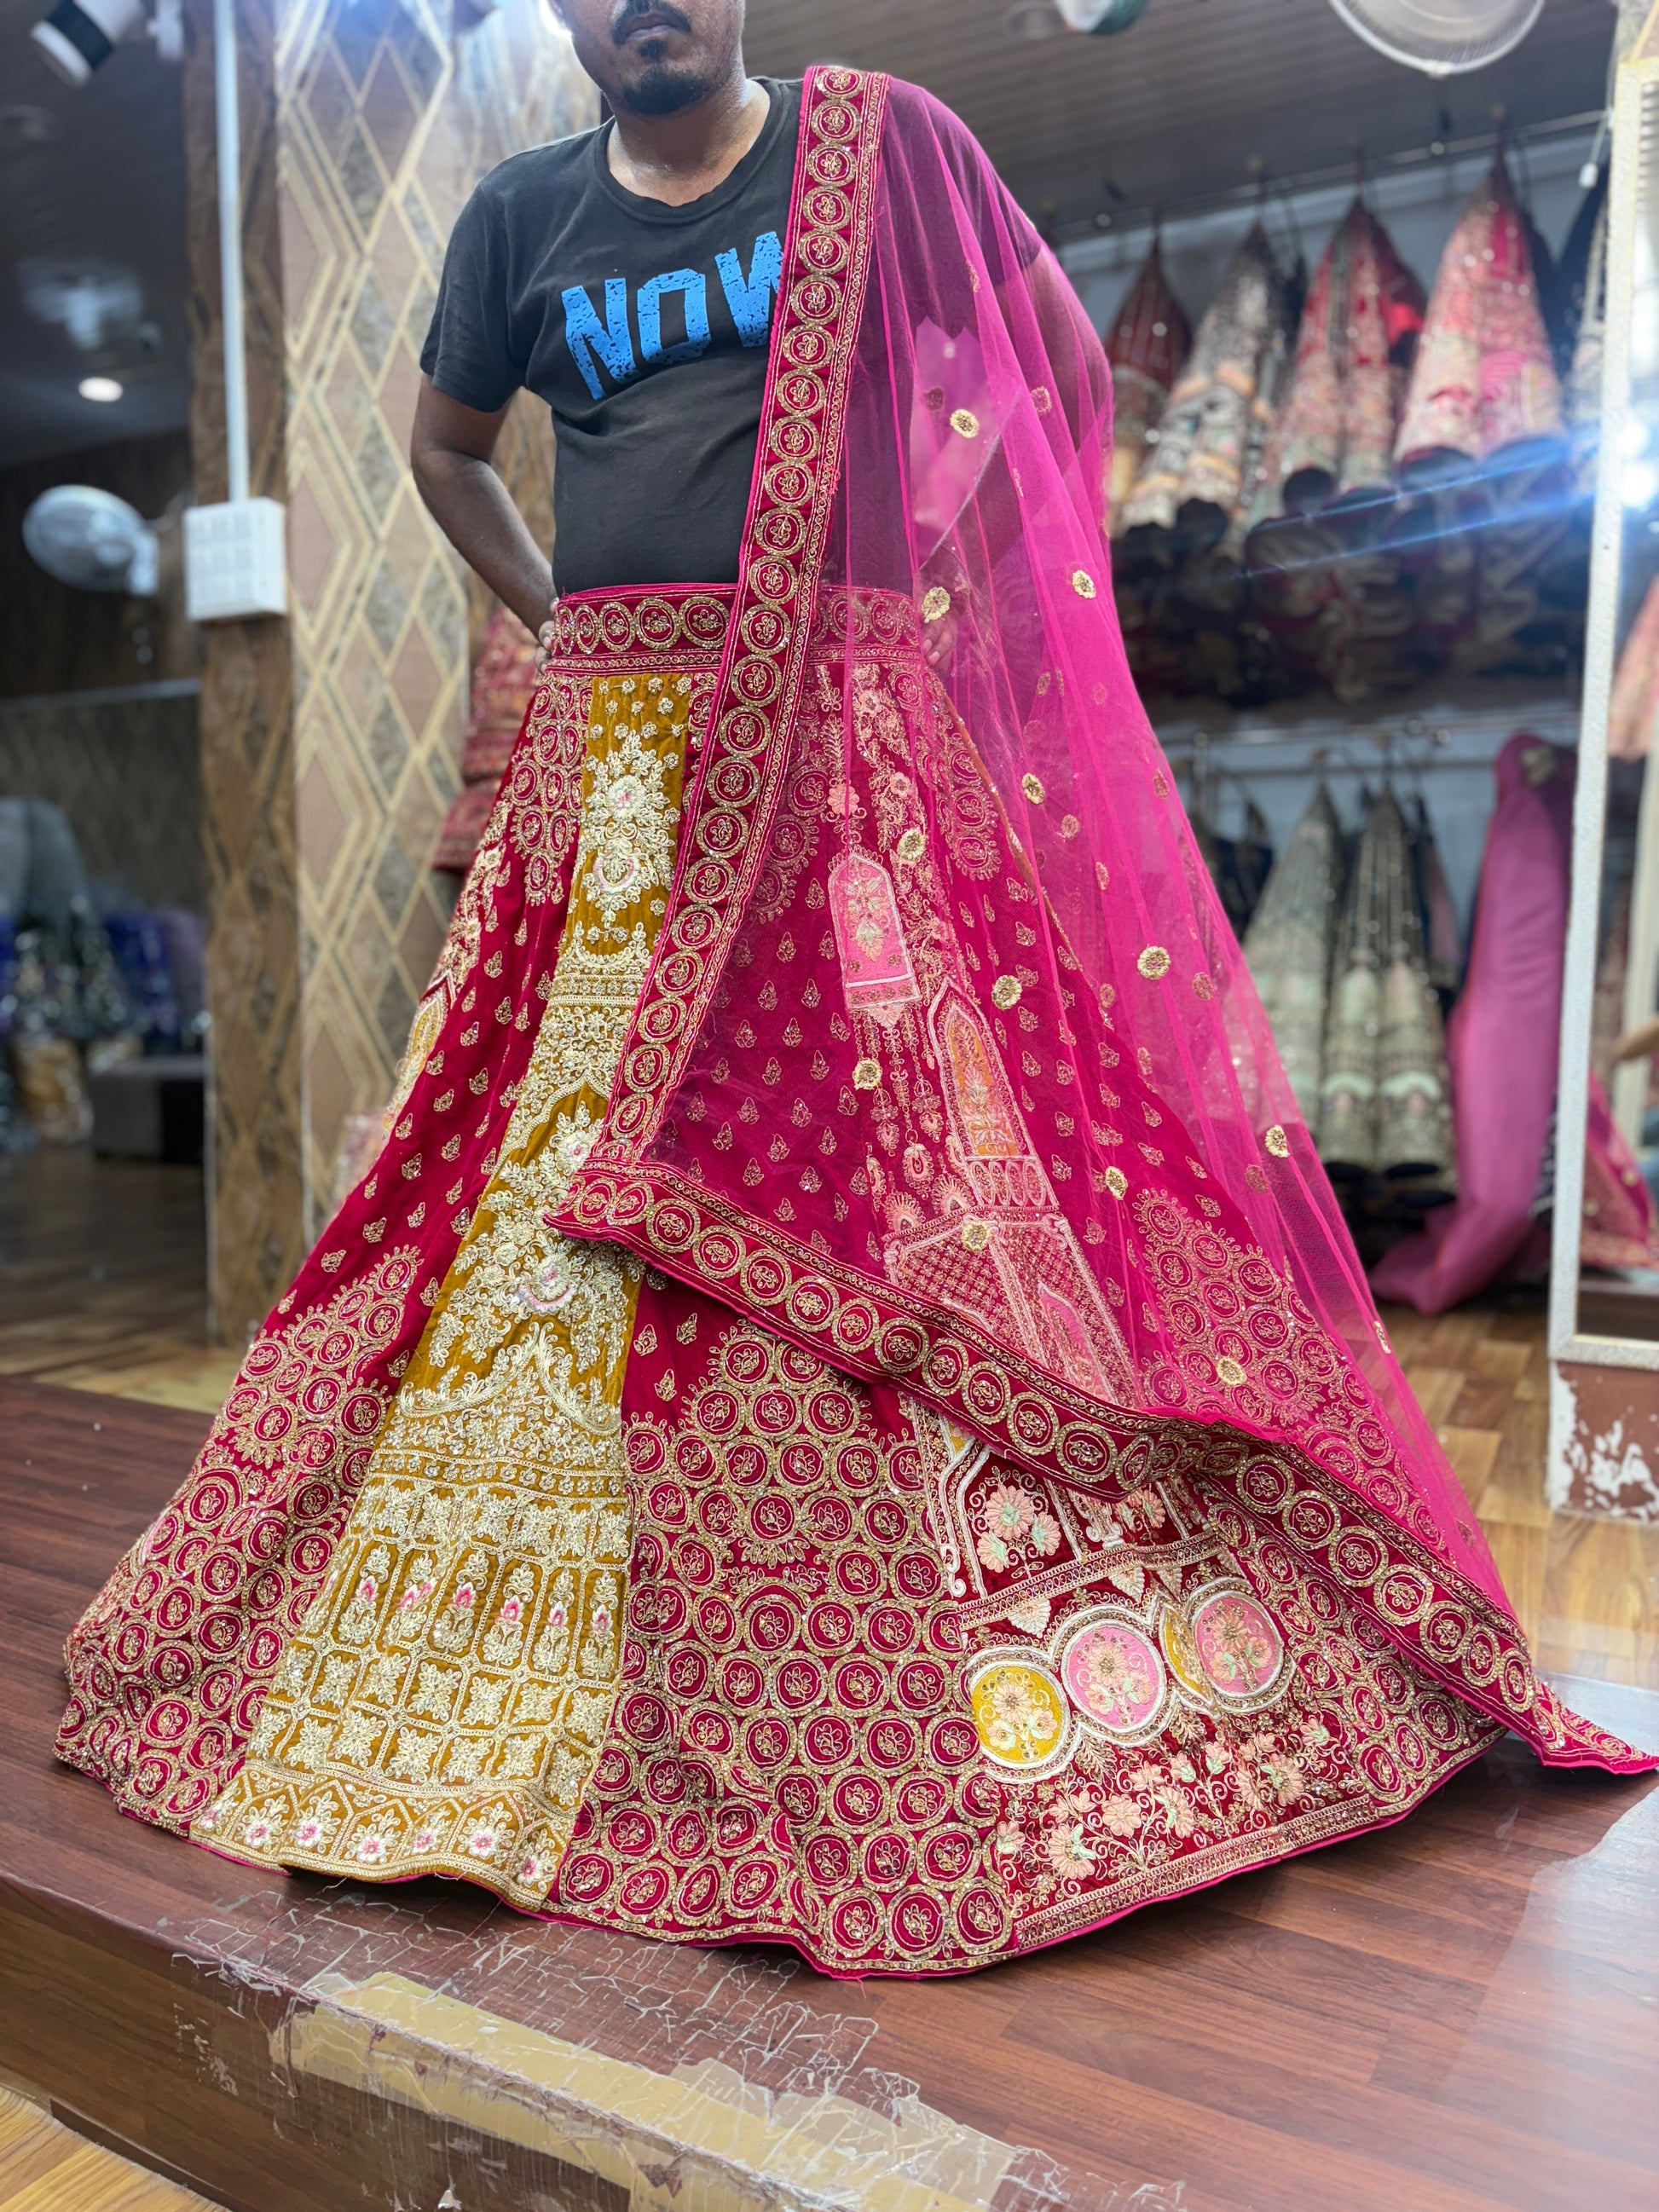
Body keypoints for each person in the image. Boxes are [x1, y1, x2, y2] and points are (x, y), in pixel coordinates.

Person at [57, 0, 1650, 1978]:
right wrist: (556, 616)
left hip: (834, 753)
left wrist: (913, 586)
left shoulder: (878, 143)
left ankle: (949, 1664)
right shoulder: (518, 217)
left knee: (894, 1162)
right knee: (531, 1183)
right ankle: (504, 1654)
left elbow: (1062, 372)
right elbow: (443, 448)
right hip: (616, 781)